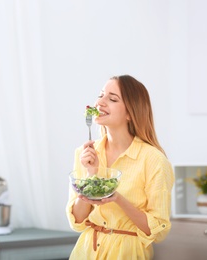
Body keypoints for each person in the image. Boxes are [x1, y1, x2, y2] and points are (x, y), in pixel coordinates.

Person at [66, 75, 174, 260]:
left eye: (112, 98)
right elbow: (77, 220)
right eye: (100, 95)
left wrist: (117, 198)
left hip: (128, 252)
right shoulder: (85, 154)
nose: (100, 102)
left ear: (130, 113)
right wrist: (91, 175)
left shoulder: (153, 160)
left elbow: (158, 229)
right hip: (86, 251)